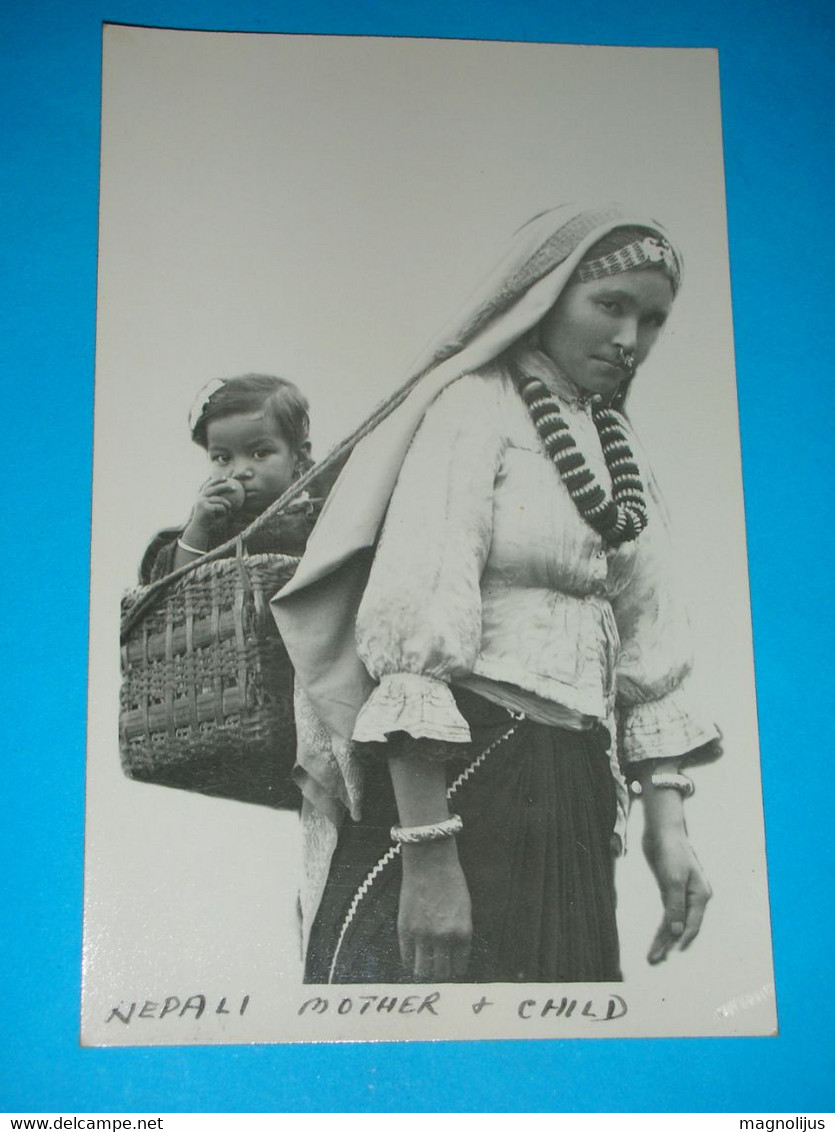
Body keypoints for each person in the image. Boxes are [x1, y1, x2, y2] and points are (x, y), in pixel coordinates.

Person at [272, 203, 721, 985]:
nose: (629, 340)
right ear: (545, 298)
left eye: (651, 319)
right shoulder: (473, 407)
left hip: (572, 786)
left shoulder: (618, 448)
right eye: (609, 306)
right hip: (460, 775)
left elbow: (650, 640)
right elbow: (413, 633)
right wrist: (428, 854)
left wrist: (668, 826)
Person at [140, 373, 315, 583]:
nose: (239, 471)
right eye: (223, 458)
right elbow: (174, 589)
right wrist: (198, 528)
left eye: (260, 453)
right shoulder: (213, 527)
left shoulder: (319, 518)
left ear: (299, 457)